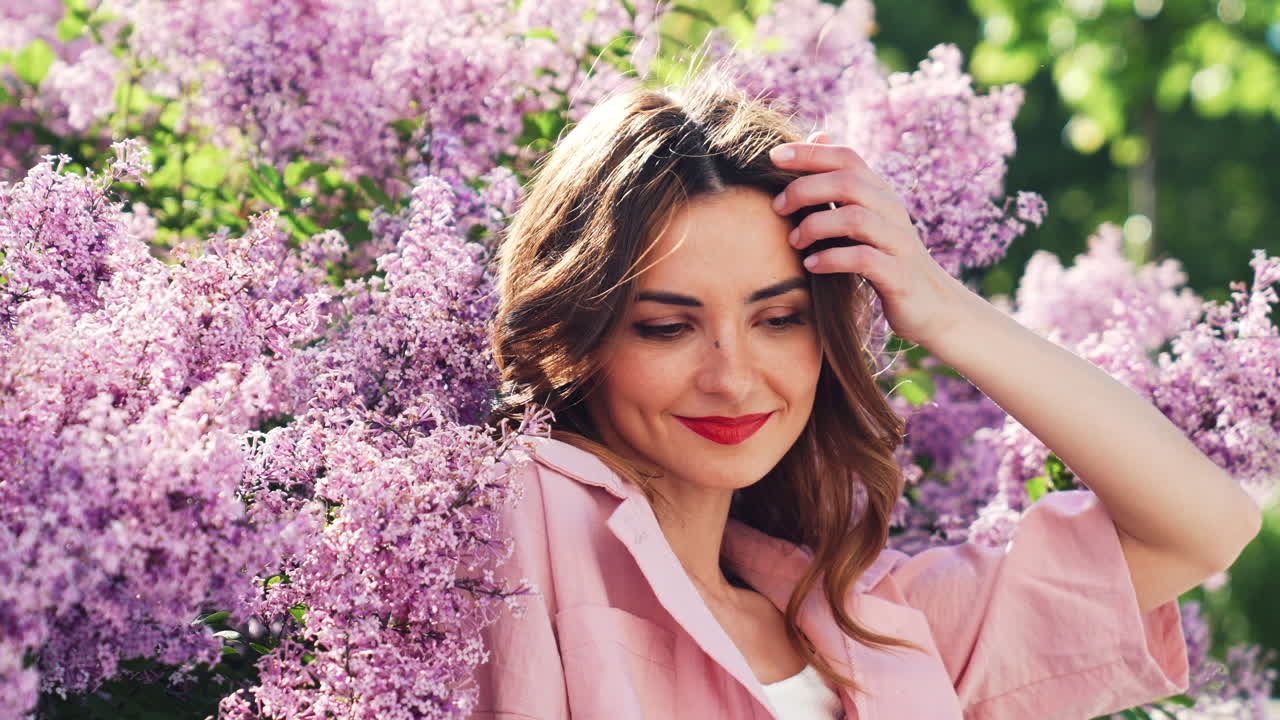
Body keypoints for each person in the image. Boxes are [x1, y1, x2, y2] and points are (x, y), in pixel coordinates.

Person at [470, 69, 1260, 720]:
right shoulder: (519, 517)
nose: (733, 377)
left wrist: (940, 307)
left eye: (780, 319)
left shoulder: (873, 624)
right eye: (666, 328)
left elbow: (1201, 529)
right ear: (578, 334)